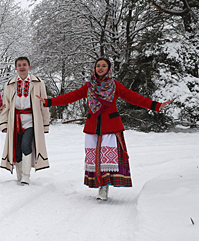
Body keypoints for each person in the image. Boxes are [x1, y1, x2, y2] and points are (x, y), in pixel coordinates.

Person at [36, 58, 173, 200]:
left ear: (109, 69)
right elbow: (71, 97)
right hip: (92, 127)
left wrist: (156, 106)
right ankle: (99, 184)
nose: (100, 68)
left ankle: (104, 187)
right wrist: (49, 102)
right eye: (98, 66)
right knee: (95, 159)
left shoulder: (115, 86)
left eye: (104, 66)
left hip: (111, 127)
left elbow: (134, 97)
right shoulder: (89, 86)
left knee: (107, 160)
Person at [0, 57, 51, 185]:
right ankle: (20, 175)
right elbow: (6, 105)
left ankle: (26, 176)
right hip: (14, 121)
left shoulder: (38, 83)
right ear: (16, 68)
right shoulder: (10, 84)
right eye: (19, 65)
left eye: (24, 64)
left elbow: (44, 104)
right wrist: (4, 123)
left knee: (26, 145)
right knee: (16, 149)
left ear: (29, 66)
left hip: (31, 121)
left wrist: (45, 124)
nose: (22, 67)